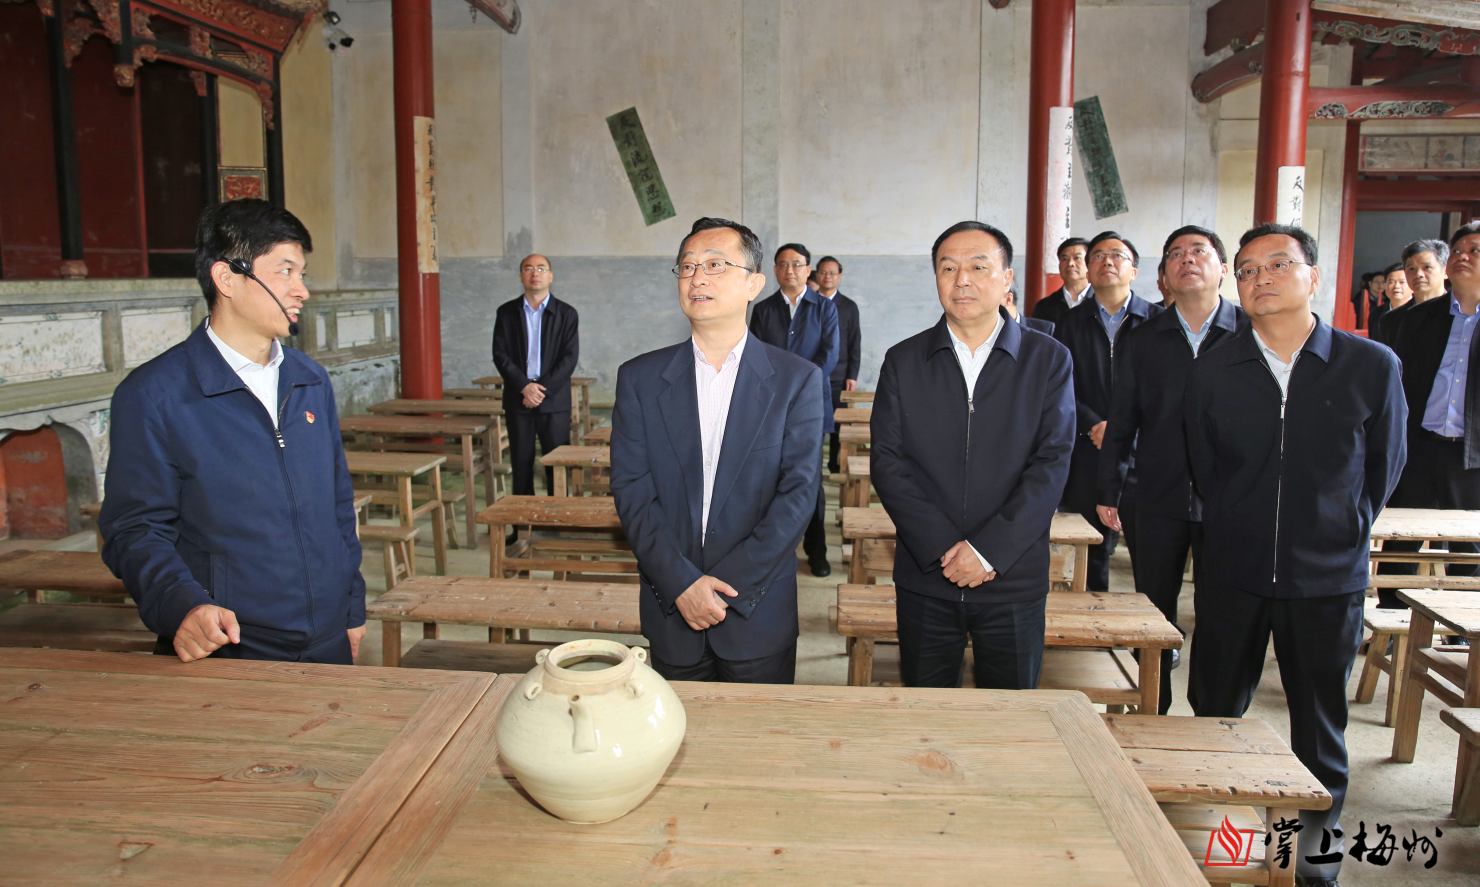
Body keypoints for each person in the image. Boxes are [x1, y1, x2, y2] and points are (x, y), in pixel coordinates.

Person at [1185, 223, 1406, 887]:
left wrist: (1339, 527)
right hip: (1234, 570)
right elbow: (1205, 465)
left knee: (1319, 729)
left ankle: (1313, 867)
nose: (1261, 279)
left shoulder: (1371, 365)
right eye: (1248, 270)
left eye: (1278, 264)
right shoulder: (1214, 368)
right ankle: (1223, 854)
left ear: (1314, 275)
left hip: (1327, 577)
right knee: (1217, 716)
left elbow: (1384, 467)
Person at [100, 198, 366, 664]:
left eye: (302, 274)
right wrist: (183, 606)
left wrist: (352, 605)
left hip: (328, 636)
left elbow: (338, 505)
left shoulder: (309, 380)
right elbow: (134, 528)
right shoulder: (155, 394)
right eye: (285, 271)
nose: (302, 291)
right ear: (227, 278)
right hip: (231, 644)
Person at [609, 217, 824, 683]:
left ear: (754, 284)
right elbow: (632, 491)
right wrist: (681, 582)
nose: (697, 278)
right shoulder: (640, 379)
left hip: (757, 611)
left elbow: (798, 495)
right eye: (687, 267)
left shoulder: (796, 380)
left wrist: (726, 588)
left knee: (759, 730)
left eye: (715, 265)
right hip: (673, 611)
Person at [871, 221, 1074, 689]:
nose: (962, 280)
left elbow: (1052, 464)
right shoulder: (904, 360)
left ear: (1006, 279)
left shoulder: (1047, 359)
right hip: (928, 574)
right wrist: (944, 548)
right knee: (927, 711)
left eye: (979, 267)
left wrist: (988, 552)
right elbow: (887, 460)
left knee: (1011, 715)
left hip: (1012, 576)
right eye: (948, 268)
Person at [1097, 225, 1245, 714]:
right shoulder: (1144, 338)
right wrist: (1110, 488)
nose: (1187, 260)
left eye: (1199, 251)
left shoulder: (1250, 331)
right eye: (1176, 254)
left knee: (1221, 609)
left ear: (1223, 269)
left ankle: (1213, 713)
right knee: (1153, 608)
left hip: (1230, 499)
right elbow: (1123, 418)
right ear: (1163, 276)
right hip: (1155, 492)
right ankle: (1152, 707)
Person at [1379, 222, 1480, 609]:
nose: (1463, 256)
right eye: (1458, 250)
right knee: (1400, 540)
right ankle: (1391, 614)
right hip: (1419, 446)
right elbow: (1397, 385)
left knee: (1467, 547)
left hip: (1471, 454)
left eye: (1475, 250)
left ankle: (1460, 625)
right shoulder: (1419, 318)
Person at [1054, 231, 1161, 590]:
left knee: (1153, 558)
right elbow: (1061, 386)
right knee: (1091, 553)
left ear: (1134, 270)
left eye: (1117, 255)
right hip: (1089, 449)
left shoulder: (1159, 322)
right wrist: (1093, 424)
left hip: (1144, 454)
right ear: (1089, 269)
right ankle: (1092, 616)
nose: (1107, 262)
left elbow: (1166, 391)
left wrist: (1123, 430)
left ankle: (1156, 626)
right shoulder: (1069, 324)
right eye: (1098, 256)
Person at [748, 242, 840, 577]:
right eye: (783, 264)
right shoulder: (763, 309)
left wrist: (799, 389)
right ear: (774, 270)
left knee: (809, 480)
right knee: (768, 480)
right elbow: (754, 355)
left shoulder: (824, 308)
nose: (790, 270)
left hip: (811, 405)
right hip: (769, 406)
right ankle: (772, 553)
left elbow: (829, 355)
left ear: (807, 269)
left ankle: (817, 552)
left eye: (797, 264)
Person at [491, 254, 580, 500]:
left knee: (556, 463)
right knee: (521, 463)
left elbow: (569, 358)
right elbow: (500, 354)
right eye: (528, 268)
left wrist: (540, 390)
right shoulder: (506, 312)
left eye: (541, 268)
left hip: (554, 401)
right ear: (521, 276)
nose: (535, 273)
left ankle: (557, 514)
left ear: (550, 276)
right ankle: (523, 519)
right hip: (518, 398)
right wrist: (524, 386)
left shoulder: (566, 313)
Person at [815, 256, 861, 475]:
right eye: (823, 272)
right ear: (816, 275)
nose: (828, 276)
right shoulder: (807, 303)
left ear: (839, 277)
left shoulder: (849, 306)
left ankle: (835, 467)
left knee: (837, 425)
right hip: (812, 375)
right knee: (813, 425)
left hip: (839, 376)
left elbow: (854, 342)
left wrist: (852, 374)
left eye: (832, 273)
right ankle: (813, 469)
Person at [1031, 237, 1092, 324]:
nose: (1070, 263)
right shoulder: (1044, 306)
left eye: (1077, 258)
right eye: (1065, 259)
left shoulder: (1102, 301)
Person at [1370, 261, 1411, 347]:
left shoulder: (1420, 311)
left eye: (1402, 282)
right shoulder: (1376, 313)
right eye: (1391, 282)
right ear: (1385, 285)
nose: (1396, 286)